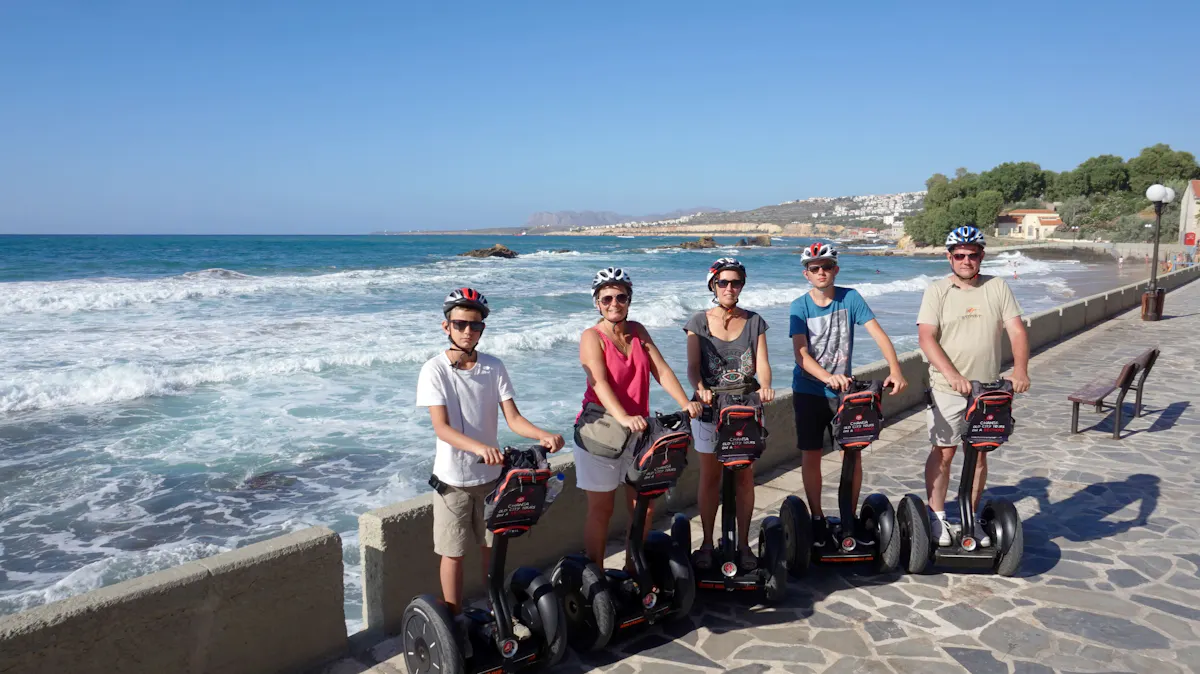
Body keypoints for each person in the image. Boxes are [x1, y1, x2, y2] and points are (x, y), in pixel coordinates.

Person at [416, 287, 565, 613]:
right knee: (453, 553)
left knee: (492, 548)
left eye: (475, 325)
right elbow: (442, 428)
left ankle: (497, 611)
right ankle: (454, 619)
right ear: (446, 326)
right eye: (460, 324)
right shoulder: (433, 370)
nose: (468, 331)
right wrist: (480, 448)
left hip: (492, 479)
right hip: (452, 482)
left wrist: (544, 435)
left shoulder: (493, 367)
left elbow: (514, 418)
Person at [576, 267, 702, 570]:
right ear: (597, 303)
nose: (614, 304)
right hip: (601, 433)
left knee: (643, 508)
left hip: (638, 432)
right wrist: (623, 415)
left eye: (621, 297)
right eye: (607, 298)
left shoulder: (638, 331)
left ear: (629, 300)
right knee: (602, 510)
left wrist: (686, 403)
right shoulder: (592, 337)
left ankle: (634, 571)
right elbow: (598, 382)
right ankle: (596, 576)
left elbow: (661, 370)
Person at [917, 227, 1031, 547]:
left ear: (981, 256)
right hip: (947, 387)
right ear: (949, 257)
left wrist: (1020, 369)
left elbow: (1016, 330)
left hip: (988, 390)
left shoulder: (997, 286)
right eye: (959, 255)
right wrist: (952, 374)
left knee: (979, 455)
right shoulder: (937, 291)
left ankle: (970, 515)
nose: (966, 261)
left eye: (972, 255)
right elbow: (926, 337)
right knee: (944, 451)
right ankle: (937, 516)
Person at [789, 243, 909, 545]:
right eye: (815, 268)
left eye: (827, 266)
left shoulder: (850, 298)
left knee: (852, 452)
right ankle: (817, 518)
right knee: (811, 454)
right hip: (809, 391)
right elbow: (801, 354)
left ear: (836, 270)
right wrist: (827, 377)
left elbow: (878, 334)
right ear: (806, 274)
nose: (821, 272)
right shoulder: (799, 306)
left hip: (845, 392)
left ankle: (848, 517)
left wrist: (895, 369)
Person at [684, 258, 774, 570]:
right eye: (723, 282)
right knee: (710, 477)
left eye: (736, 282)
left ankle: (744, 545)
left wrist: (766, 386)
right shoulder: (698, 322)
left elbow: (762, 363)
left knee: (744, 477)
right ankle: (708, 544)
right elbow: (692, 367)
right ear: (713, 285)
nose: (729, 288)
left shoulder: (755, 321)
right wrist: (700, 388)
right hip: (710, 409)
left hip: (745, 408)